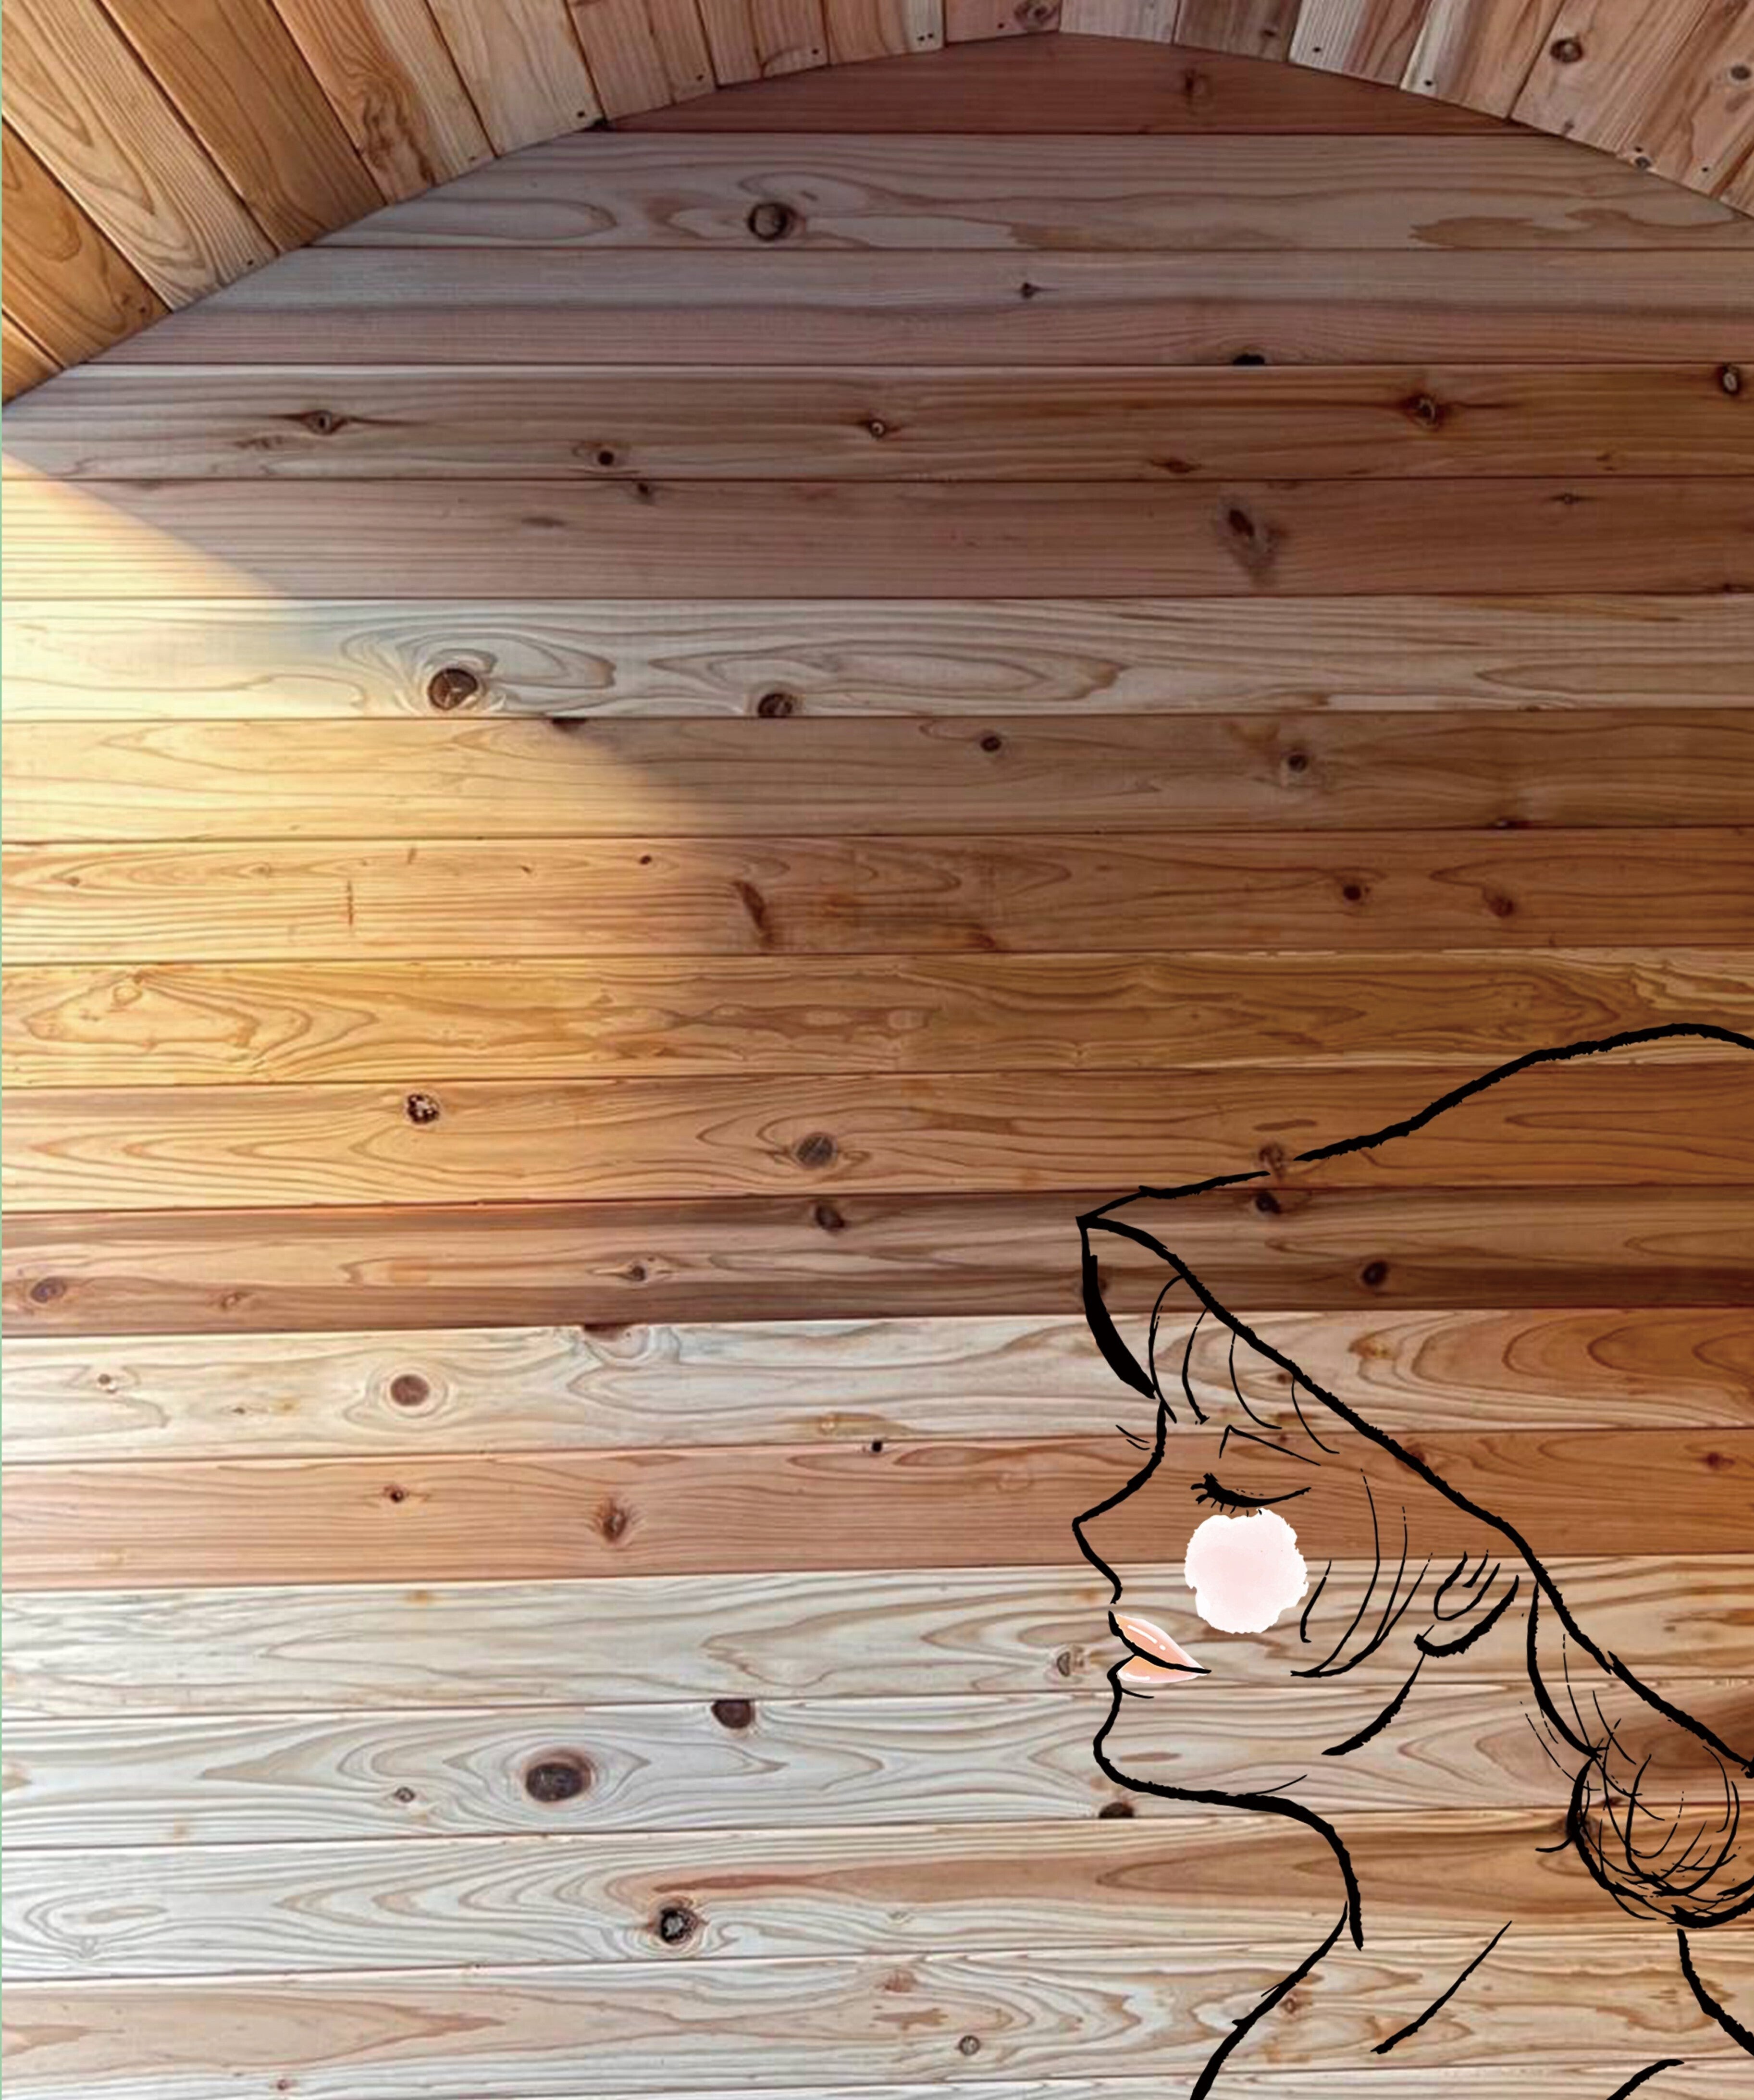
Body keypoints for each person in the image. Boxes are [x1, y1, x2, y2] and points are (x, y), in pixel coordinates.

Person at [1072, 1025, 1754, 2099]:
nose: (1101, 1530)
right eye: (1152, 1451)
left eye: (1232, 1492)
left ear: (1465, 1583)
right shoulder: (1329, 2043)